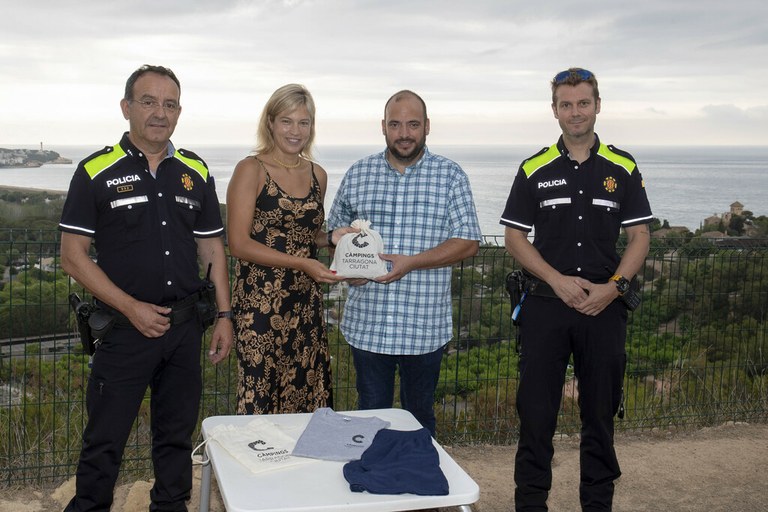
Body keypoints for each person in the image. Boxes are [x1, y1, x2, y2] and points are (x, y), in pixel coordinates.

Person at [58, 64, 233, 511]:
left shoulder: (195, 169)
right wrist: (130, 307)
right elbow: (72, 256)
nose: (160, 113)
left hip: (184, 328)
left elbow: (212, 248)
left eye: (170, 104)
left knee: (175, 438)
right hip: (124, 330)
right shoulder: (95, 170)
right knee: (104, 441)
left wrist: (224, 316)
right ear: (126, 107)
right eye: (149, 101)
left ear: (179, 112)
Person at [500, 68, 653, 511]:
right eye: (566, 104)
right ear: (554, 111)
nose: (575, 112)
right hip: (545, 308)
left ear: (597, 106)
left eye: (583, 103)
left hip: (604, 310)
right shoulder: (534, 168)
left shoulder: (623, 167)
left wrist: (615, 288)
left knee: (600, 419)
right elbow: (514, 237)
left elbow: (640, 236)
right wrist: (556, 280)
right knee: (535, 417)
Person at [326, 90, 481, 436]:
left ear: (427, 126)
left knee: (420, 420)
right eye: (395, 125)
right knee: (369, 420)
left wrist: (412, 263)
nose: (404, 133)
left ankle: (419, 471)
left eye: (413, 124)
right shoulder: (358, 173)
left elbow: (469, 242)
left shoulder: (450, 175)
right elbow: (335, 233)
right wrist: (350, 270)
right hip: (368, 326)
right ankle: (372, 471)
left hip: (424, 328)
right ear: (383, 127)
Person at [227, 84, 341, 415]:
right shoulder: (251, 169)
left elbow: (306, 235)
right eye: (287, 121)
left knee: (306, 392)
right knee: (260, 395)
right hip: (260, 305)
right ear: (271, 122)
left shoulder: (318, 174)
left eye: (303, 122)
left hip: (305, 303)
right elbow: (238, 243)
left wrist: (333, 237)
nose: (295, 131)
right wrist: (301, 264)